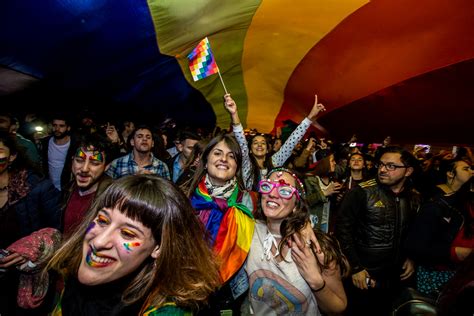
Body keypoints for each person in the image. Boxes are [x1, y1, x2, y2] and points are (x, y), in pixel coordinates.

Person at [46, 174, 220, 315]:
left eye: (128, 233)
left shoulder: (168, 311)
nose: (98, 241)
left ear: (159, 247)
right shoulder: (72, 278)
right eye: (102, 220)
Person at [244, 167, 348, 315]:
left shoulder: (316, 246)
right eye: (267, 186)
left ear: (296, 205)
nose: (272, 194)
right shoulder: (248, 230)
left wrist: (316, 282)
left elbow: (338, 307)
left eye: (285, 191)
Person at [335, 146, 420, 315]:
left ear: (408, 171)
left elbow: (412, 232)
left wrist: (411, 257)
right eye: (381, 164)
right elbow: (342, 231)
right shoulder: (361, 192)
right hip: (364, 274)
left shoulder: (413, 197)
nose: (382, 169)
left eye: (391, 166)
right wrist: (356, 267)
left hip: (395, 276)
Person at [187, 133, 257, 315]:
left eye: (231, 156)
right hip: (186, 285)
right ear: (206, 158)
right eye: (217, 153)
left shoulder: (248, 201)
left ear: (237, 166)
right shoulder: (185, 197)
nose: (224, 159)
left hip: (228, 291)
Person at [0, 131, 61, 315]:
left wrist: (31, 251)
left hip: (25, 278)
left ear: (12, 156)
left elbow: (57, 233)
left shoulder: (38, 188)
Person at [224, 94, 326, 191]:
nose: (259, 144)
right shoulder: (246, 164)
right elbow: (241, 139)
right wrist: (234, 114)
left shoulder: (275, 162)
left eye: (263, 143)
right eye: (255, 142)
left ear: (268, 148)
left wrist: (310, 117)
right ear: (249, 149)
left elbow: (291, 142)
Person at [406, 158, 473, 297]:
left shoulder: (464, 202)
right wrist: (454, 252)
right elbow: (417, 246)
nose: (472, 171)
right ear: (450, 173)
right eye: (466, 169)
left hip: (461, 272)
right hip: (436, 275)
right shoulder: (436, 204)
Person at [61, 133, 114, 235]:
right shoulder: (67, 189)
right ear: (72, 161)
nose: (84, 169)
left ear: (106, 166)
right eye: (79, 160)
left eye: (94, 163)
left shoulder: (112, 198)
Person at [106, 125, 170, 180]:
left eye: (148, 137)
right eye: (140, 136)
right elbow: (108, 190)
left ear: (152, 143)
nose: (144, 139)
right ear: (132, 142)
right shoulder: (117, 163)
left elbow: (167, 193)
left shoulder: (162, 166)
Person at [41, 114, 77, 191]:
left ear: (68, 128)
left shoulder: (75, 144)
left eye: (61, 126)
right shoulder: (45, 142)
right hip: (49, 188)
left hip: (67, 188)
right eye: (55, 125)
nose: (57, 129)